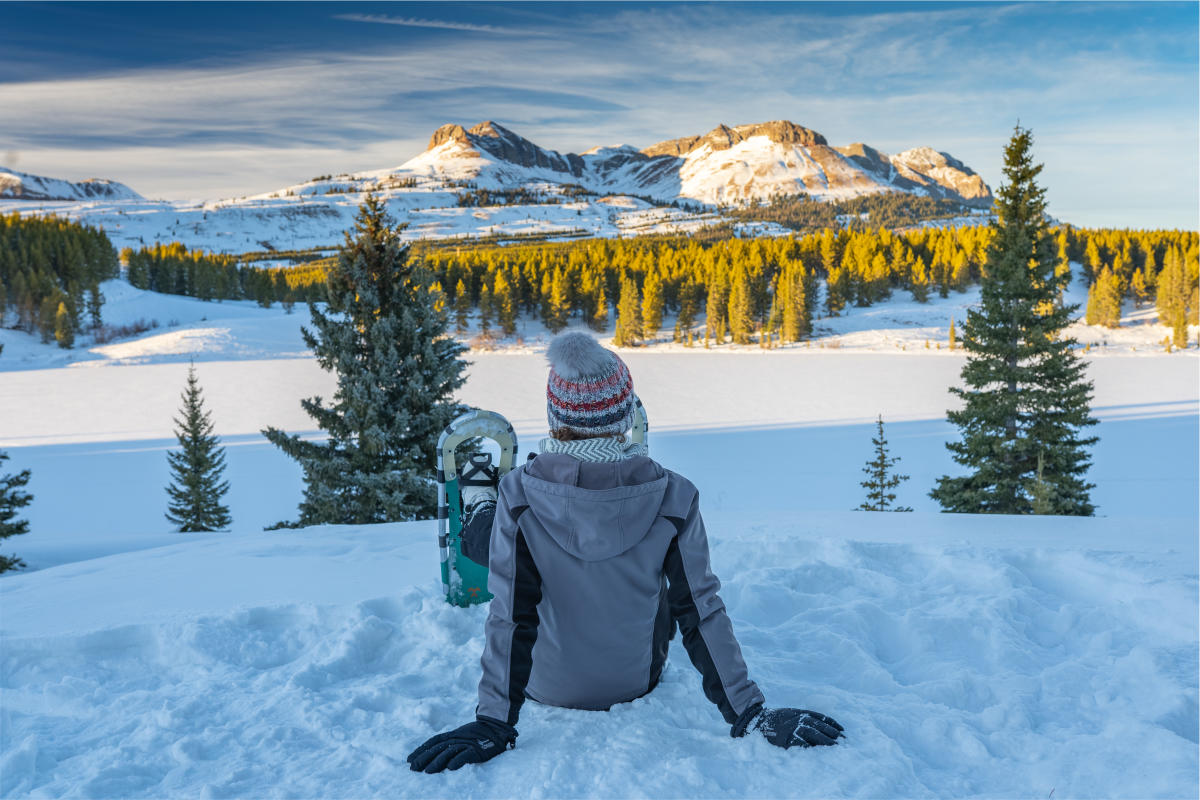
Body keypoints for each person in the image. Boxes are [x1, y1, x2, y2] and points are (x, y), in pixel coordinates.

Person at [408, 332, 843, 774]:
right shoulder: (676, 495)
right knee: (672, 587)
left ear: (554, 415)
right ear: (625, 416)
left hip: (544, 685)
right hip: (636, 680)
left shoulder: (517, 494)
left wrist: (492, 722)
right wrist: (750, 712)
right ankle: (612, 480)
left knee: (502, 542)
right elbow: (700, 610)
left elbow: (510, 616)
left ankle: (480, 505)